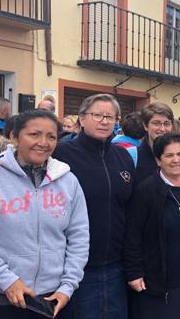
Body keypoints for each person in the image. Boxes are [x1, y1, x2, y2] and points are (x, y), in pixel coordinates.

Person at [0, 110, 89, 319]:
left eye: (51, 137)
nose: (43, 143)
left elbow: (79, 237)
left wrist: (67, 286)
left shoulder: (68, 181)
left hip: (52, 300)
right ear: (14, 137)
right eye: (34, 134)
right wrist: (6, 279)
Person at [52, 93, 134, 319]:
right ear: (82, 118)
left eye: (110, 116)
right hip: (76, 267)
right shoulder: (61, 154)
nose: (104, 121)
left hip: (116, 265)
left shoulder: (123, 157)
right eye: (97, 115)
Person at [124, 133, 180, 319]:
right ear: (158, 160)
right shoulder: (146, 191)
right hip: (156, 277)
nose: (176, 160)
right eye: (169, 155)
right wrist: (134, 272)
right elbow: (133, 235)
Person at [132, 102, 174, 185]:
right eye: (156, 123)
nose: (162, 129)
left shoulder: (179, 156)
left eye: (167, 124)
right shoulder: (133, 155)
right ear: (145, 125)